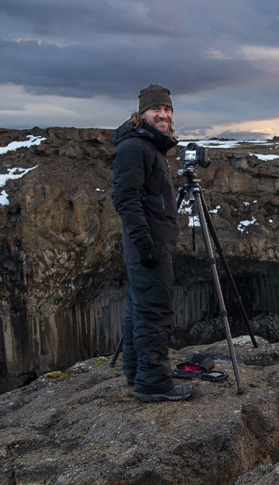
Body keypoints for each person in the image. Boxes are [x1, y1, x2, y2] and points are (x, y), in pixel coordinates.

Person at [111, 84, 191, 402]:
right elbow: (125, 198)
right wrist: (145, 243)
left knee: (139, 310)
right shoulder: (134, 148)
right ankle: (154, 383)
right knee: (155, 312)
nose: (163, 115)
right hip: (149, 245)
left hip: (150, 243)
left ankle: (137, 372)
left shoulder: (150, 146)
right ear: (142, 113)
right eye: (156, 110)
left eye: (167, 110)